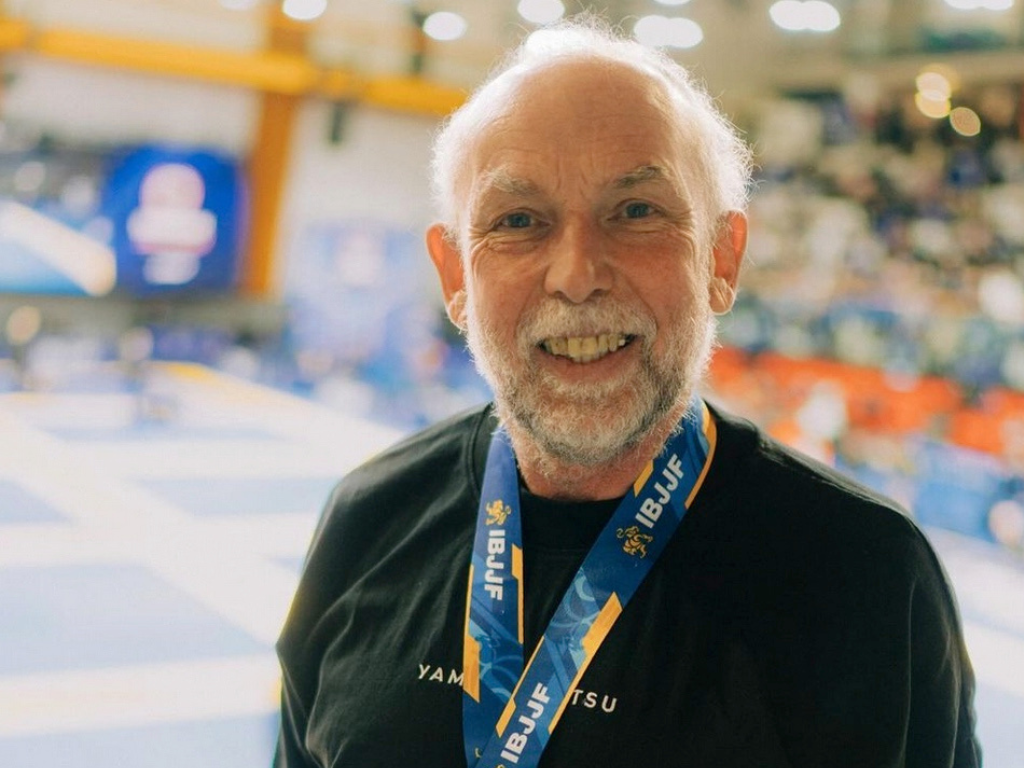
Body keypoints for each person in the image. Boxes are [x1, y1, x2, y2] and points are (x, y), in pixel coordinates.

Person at [274, 18, 981, 768]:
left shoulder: (864, 575)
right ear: (455, 279)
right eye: (517, 222)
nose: (577, 274)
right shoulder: (369, 521)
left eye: (637, 211)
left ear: (721, 257)